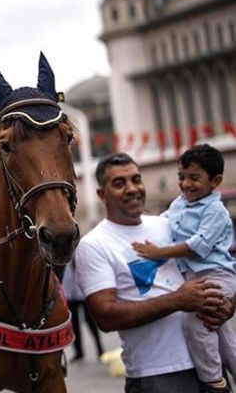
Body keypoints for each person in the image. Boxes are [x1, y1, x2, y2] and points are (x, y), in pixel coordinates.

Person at [74, 152, 233, 393]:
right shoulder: (94, 245)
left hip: (209, 364)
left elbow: (218, 265)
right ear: (101, 194)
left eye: (136, 179)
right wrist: (177, 300)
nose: (131, 188)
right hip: (158, 375)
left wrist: (227, 304)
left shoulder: (167, 224)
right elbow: (105, 317)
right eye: (119, 183)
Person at [131, 144, 236, 392]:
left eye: (194, 178)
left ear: (215, 181)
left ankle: (214, 382)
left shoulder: (216, 211)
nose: (186, 184)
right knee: (220, 332)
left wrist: (159, 253)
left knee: (196, 323)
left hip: (216, 276)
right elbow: (161, 222)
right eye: (181, 177)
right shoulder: (179, 203)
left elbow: (196, 246)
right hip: (196, 277)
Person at [61, 262, 104, 362]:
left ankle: (100, 348)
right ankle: (79, 352)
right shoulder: (61, 255)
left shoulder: (80, 251)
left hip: (83, 292)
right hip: (69, 292)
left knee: (90, 320)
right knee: (73, 323)